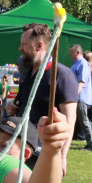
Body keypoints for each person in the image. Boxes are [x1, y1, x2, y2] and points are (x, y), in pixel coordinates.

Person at [16, 25, 78, 158]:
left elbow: (70, 120)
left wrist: (61, 156)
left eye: (24, 44)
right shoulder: (29, 72)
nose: (20, 48)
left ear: (39, 46)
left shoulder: (62, 75)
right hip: (22, 147)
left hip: (45, 153)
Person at [69, 45, 92, 151]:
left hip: (81, 98)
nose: (69, 54)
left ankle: (91, 144)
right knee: (75, 120)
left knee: (84, 121)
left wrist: (74, 95)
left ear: (77, 53)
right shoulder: (76, 63)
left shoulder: (83, 64)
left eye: (71, 52)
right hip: (77, 97)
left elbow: (81, 81)